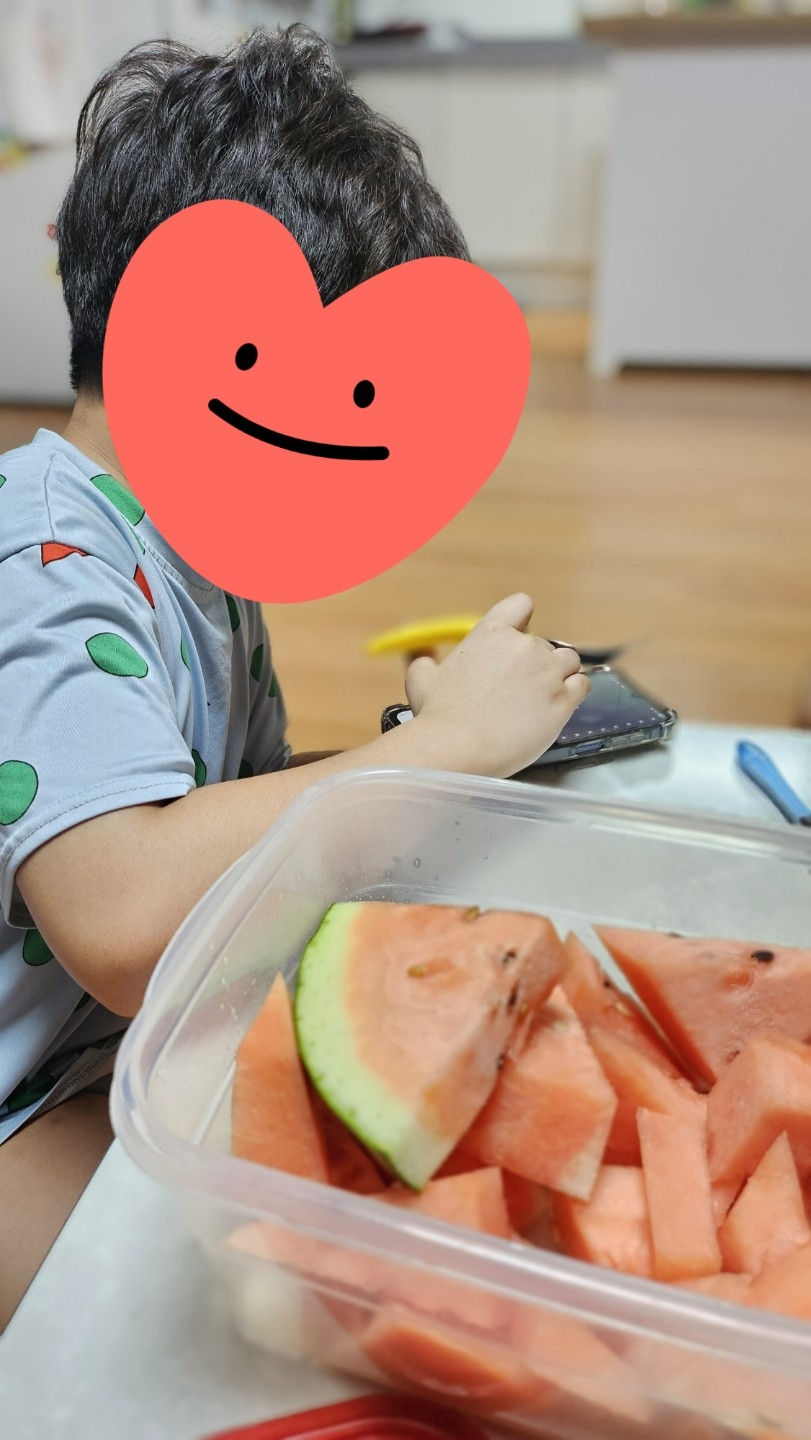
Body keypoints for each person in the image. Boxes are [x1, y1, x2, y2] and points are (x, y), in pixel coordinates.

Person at [0, 24, 588, 1326]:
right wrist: (437, 750)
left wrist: (419, 752)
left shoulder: (204, 553)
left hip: (115, 1053)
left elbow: (227, 824)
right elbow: (122, 914)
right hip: (20, 1107)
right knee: (255, 1313)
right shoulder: (43, 553)